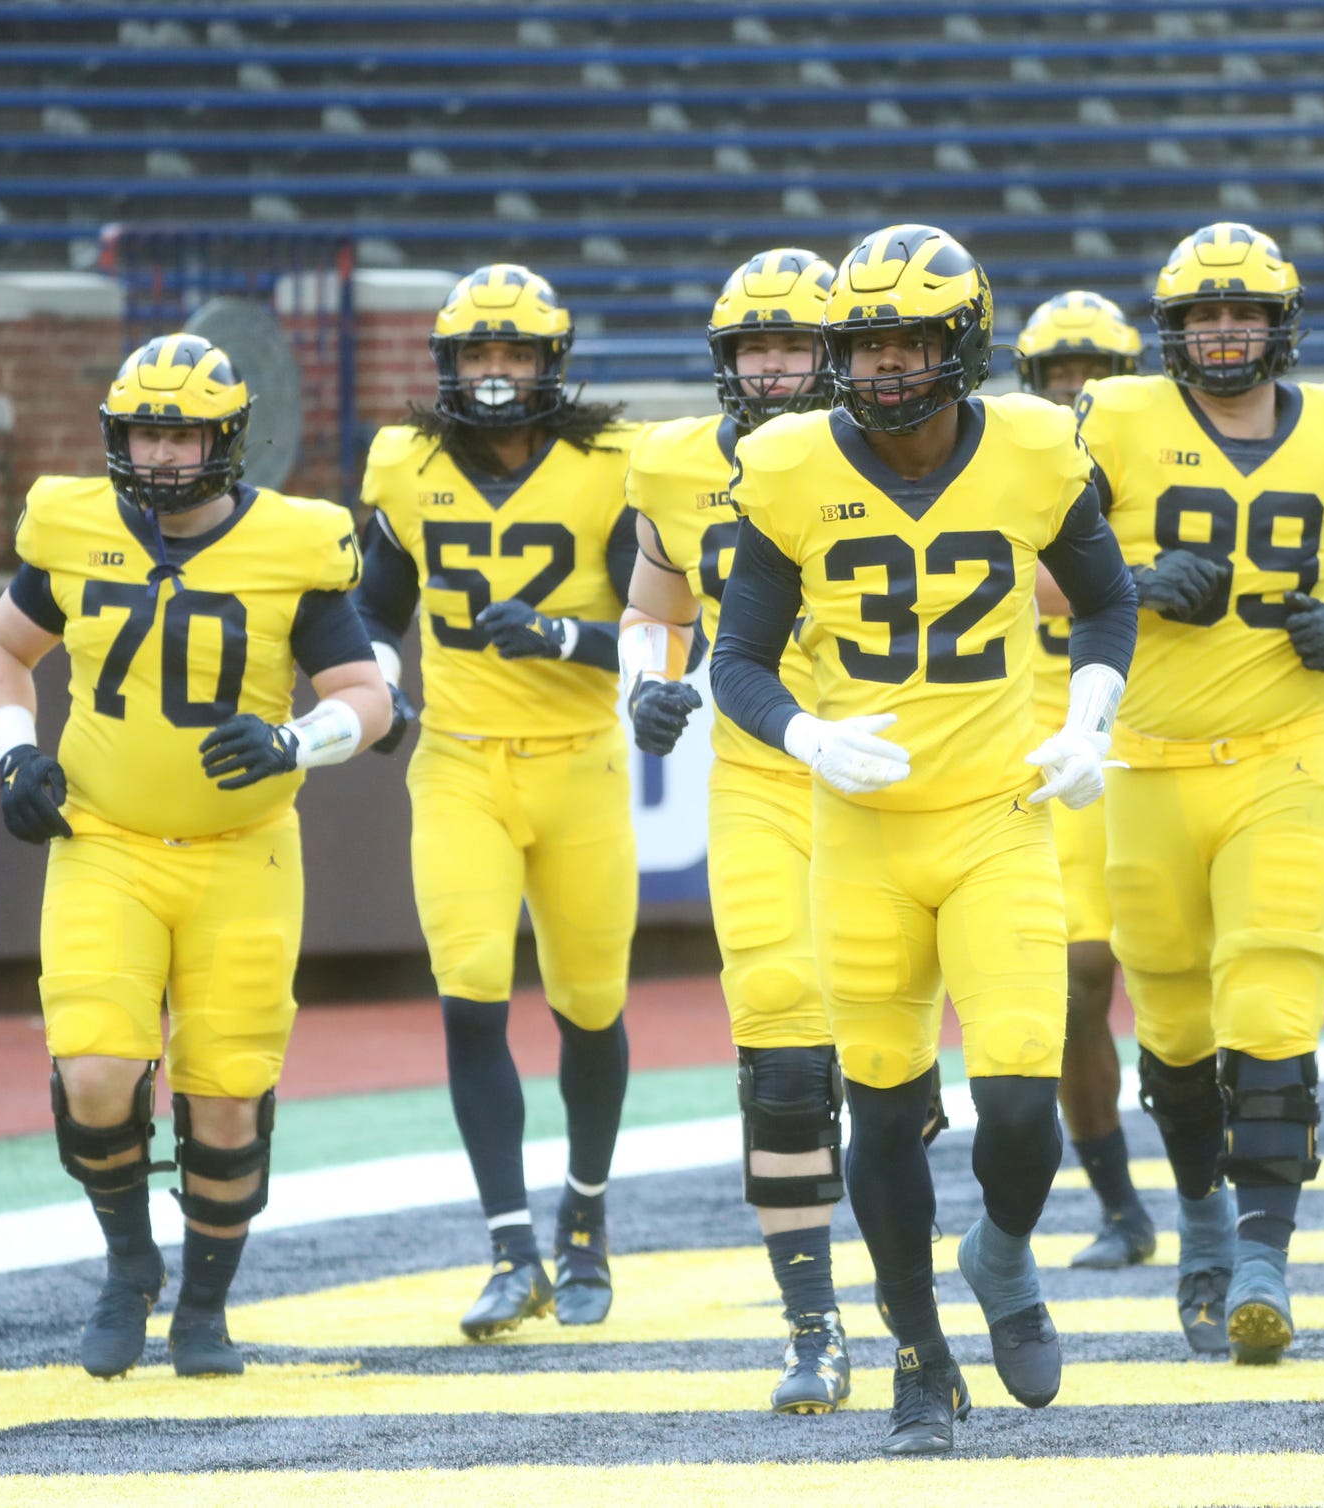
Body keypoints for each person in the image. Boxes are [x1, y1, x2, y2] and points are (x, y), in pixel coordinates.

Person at [710, 224, 1138, 1456]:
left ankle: (1000, 1255)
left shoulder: (1037, 446)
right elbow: (735, 656)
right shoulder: (789, 465)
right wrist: (802, 734)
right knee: (884, 1114)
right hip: (862, 835)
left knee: (1017, 1100)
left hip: (1000, 816)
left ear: (964, 340)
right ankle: (919, 1355)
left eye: (911, 339)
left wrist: (1091, 712)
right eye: (870, 342)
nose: (890, 366)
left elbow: (1105, 598)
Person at [0, 334, 390, 1378]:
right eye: (144, 431)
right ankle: (129, 1264)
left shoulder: (297, 542)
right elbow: (1, 650)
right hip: (105, 840)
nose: (159, 454)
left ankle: (205, 1305)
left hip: (243, 849)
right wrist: (16, 752)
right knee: (99, 1069)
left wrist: (297, 739)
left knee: (228, 1091)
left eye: (180, 431)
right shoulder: (69, 523)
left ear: (226, 439)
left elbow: (369, 699)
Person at [1080, 223, 1324, 1364]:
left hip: (1288, 753)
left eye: (1240, 314)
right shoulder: (1119, 419)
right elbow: (1022, 561)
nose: (1223, 333)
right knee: (1177, 1022)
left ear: (1278, 323)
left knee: (1275, 994)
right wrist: (1127, 585)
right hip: (1146, 761)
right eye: (1201, 317)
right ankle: (1199, 1221)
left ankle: (1264, 1257)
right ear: (1171, 330)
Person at [353, 264, 645, 1340]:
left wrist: (566, 635)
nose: (494, 373)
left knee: (590, 1002)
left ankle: (587, 1221)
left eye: (514, 353)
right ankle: (510, 1242)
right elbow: (373, 613)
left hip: (579, 761)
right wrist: (377, 680)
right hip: (463, 760)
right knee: (470, 992)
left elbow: (667, 636)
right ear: (447, 364)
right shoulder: (408, 466)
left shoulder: (610, 467)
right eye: (477, 353)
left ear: (550, 364)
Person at [619, 247, 864, 1412]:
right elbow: (652, 605)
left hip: (897, 775)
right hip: (764, 775)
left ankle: (924, 1294)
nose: (773, 367)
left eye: (793, 343)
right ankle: (812, 1324)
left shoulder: (899, 452)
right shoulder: (673, 462)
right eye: (755, 346)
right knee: (780, 1047)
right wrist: (645, 681)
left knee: (892, 1069)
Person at [1016, 290, 1154, 1269]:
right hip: (1047, 736)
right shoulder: (1003, 462)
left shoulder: (1165, 456)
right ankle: (1116, 1198)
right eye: (1058, 380)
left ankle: (1220, 1161)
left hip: (1161, 735)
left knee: (1195, 979)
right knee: (1077, 978)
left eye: (1092, 378)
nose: (1075, 397)